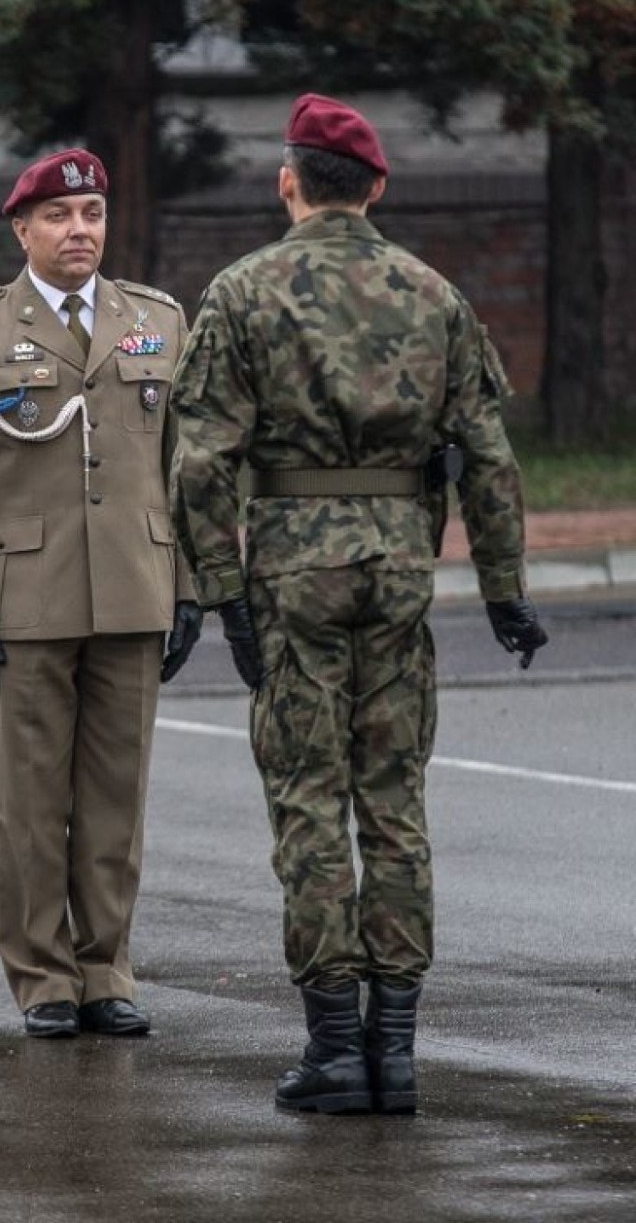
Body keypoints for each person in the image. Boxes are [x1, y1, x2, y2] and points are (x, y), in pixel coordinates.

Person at [171, 93, 548, 1114]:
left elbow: (202, 460)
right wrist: (507, 591)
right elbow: (490, 456)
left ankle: (335, 1047)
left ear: (287, 182)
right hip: (396, 573)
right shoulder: (435, 295)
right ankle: (399, 1048)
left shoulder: (243, 291)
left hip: (291, 572)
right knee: (394, 802)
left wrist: (215, 594)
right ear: (377, 186)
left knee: (307, 800)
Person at [0, 148, 202, 1039]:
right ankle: (43, 979)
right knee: (34, 805)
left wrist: (189, 584)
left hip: (133, 591)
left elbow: (184, 469)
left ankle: (106, 970)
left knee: (117, 798)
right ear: (22, 228)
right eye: (60, 218)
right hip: (24, 600)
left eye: (93, 216)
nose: (81, 232)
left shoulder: (155, 319)